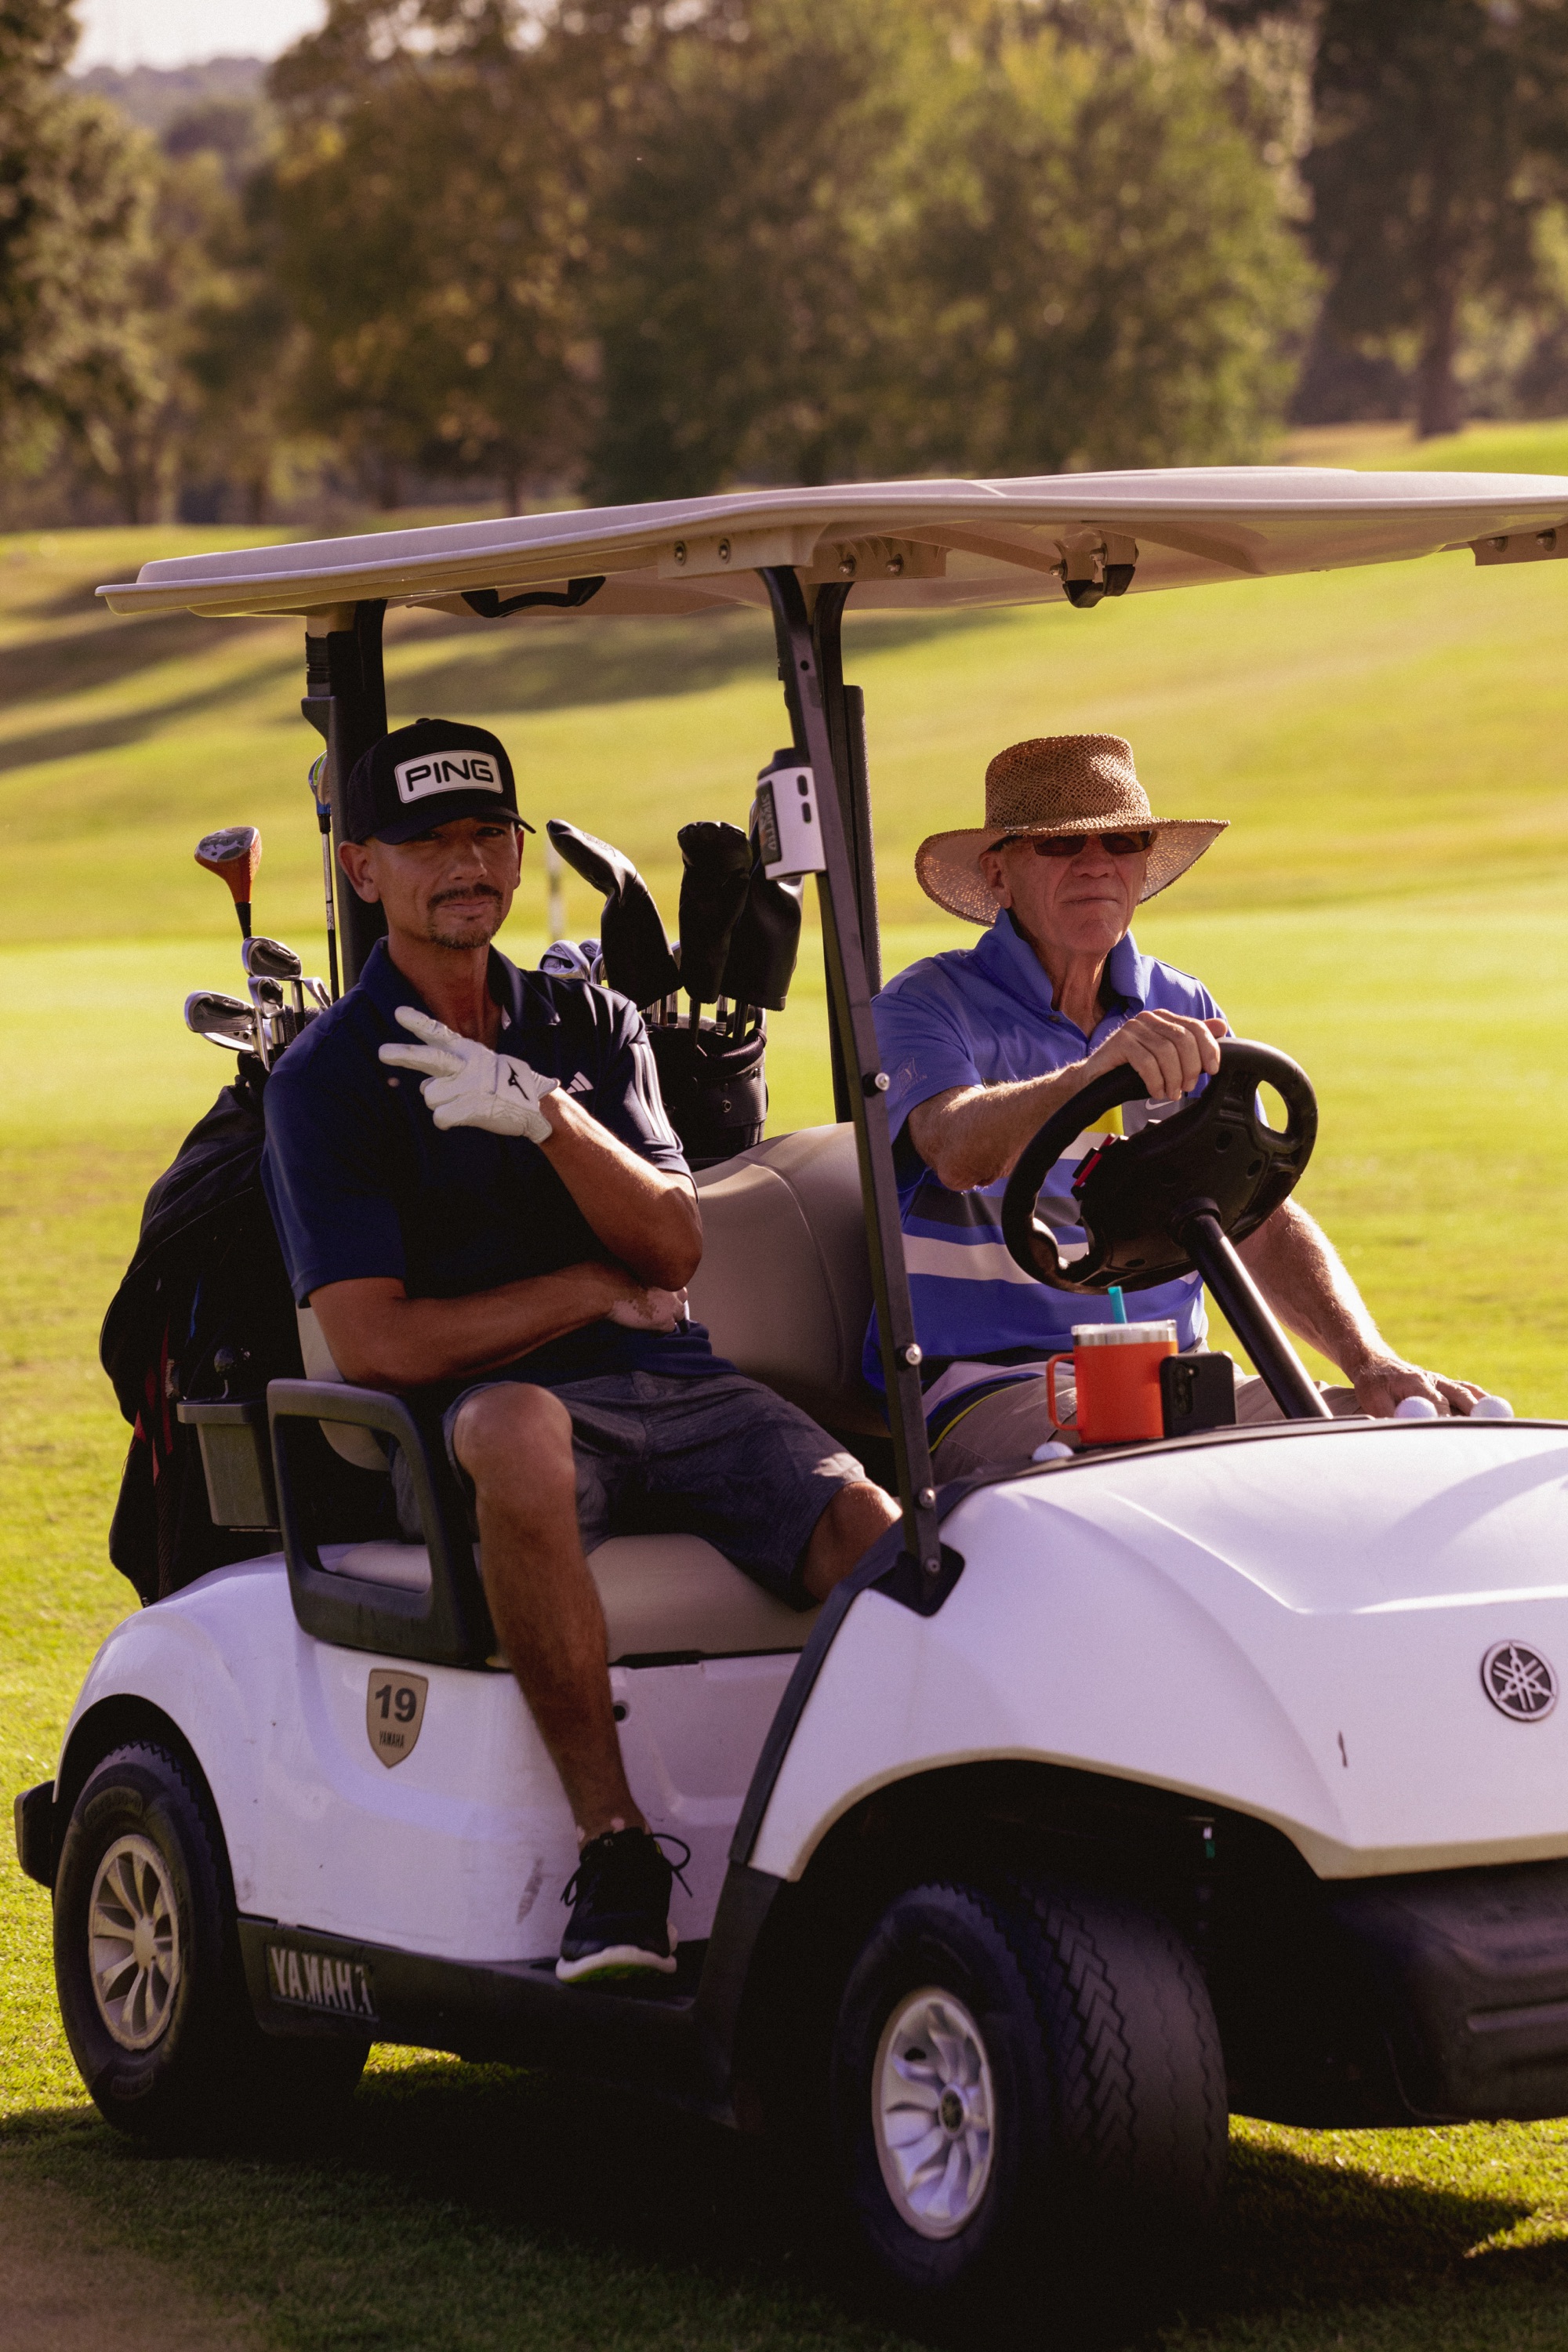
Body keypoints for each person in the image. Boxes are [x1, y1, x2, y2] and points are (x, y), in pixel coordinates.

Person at [261, 717, 898, 1986]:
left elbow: (669, 1248)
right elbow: (379, 1343)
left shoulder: (588, 1026)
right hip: (487, 1429)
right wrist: (582, 1287)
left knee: (877, 1536)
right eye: (425, 841)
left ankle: (877, 1858)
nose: (466, 864)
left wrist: (548, 1115)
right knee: (520, 1426)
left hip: (682, 1394)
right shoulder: (325, 1080)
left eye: (486, 835)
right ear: (359, 868)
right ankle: (614, 1857)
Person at [868, 733, 1482, 1478]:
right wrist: (1088, 1077)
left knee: (1415, 1439)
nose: (1096, 862)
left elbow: (1251, 1218)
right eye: (1061, 846)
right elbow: (956, 1148)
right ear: (999, 874)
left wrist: (1370, 1358)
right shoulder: (924, 1003)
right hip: (984, 1382)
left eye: (1121, 840)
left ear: (1141, 866)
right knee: (1132, 1473)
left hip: (1172, 1380)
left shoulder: (1180, 1002)